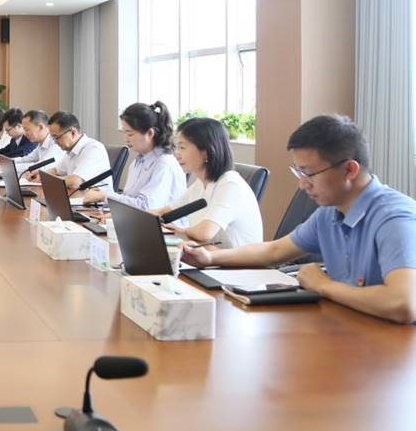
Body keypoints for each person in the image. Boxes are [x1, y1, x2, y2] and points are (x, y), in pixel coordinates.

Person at [184, 115, 416, 323]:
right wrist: (210, 258)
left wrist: (324, 286)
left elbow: (403, 303)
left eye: (309, 173)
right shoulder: (329, 213)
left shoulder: (394, 218)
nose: (303, 184)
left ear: (349, 170)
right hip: (350, 328)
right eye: (299, 172)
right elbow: (274, 251)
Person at [152, 117, 262, 248]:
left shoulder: (230, 184)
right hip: (211, 254)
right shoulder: (201, 184)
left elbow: (204, 233)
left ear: (206, 152)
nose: (177, 154)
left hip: (237, 260)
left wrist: (182, 231)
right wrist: (136, 218)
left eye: (182, 147)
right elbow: (165, 211)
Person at [84, 102, 185, 209]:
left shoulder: (164, 163)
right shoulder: (137, 162)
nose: (126, 139)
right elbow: (129, 200)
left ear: (150, 133)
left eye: (130, 134)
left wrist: (105, 196)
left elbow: (146, 207)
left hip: (157, 220)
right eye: (124, 133)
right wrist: (100, 199)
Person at [43, 111, 111, 191]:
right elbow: (56, 170)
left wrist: (48, 180)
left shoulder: (94, 148)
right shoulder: (70, 150)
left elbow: (75, 182)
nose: (55, 142)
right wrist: (42, 176)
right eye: (53, 138)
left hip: (98, 198)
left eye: (57, 137)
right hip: (78, 196)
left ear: (73, 133)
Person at [5, 110, 64, 176]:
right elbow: (26, 159)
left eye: (27, 129)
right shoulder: (41, 143)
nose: (24, 134)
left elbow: (42, 166)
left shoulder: (55, 143)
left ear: (40, 127)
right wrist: (7, 163)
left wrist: (9, 167)